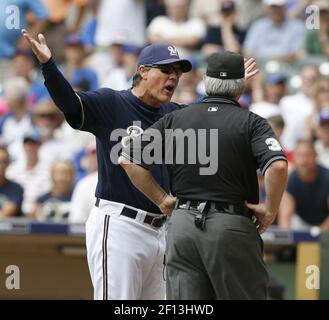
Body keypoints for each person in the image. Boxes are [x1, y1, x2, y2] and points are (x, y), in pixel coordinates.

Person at [21, 28, 259, 299]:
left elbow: (209, 114)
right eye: (166, 70)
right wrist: (49, 66)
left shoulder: (173, 115)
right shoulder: (112, 102)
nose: (173, 77)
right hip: (120, 224)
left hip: (161, 231)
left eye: (177, 73)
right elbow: (69, 103)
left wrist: (230, 88)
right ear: (143, 71)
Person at [119, 51, 288, 299]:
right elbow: (278, 167)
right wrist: (270, 209)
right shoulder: (252, 122)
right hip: (230, 225)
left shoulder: (175, 119)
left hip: (183, 226)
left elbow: (128, 158)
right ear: (240, 86)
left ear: (206, 83)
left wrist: (162, 200)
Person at [279, 139, 329, 231]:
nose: (304, 160)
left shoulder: (327, 177)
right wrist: (285, 240)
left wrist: (320, 236)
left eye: (308, 155)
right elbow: (285, 216)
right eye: (300, 155)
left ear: (315, 156)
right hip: (302, 222)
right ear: (293, 157)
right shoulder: (291, 180)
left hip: (325, 224)